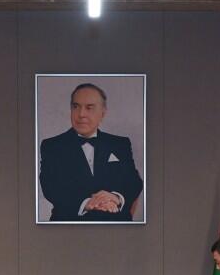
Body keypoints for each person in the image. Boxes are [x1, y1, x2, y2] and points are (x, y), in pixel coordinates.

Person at [38, 82, 143, 221]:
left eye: (89, 108)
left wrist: (116, 197)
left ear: (102, 113)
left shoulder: (120, 144)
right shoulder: (52, 146)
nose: (81, 114)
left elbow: (133, 181)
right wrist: (87, 203)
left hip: (116, 225)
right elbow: (50, 187)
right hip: (69, 225)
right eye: (76, 107)